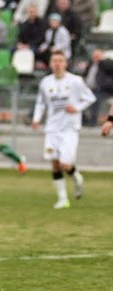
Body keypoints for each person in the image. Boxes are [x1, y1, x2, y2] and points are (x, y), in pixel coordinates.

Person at [32, 50, 95, 209]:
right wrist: (36, 119)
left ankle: (75, 175)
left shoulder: (76, 81)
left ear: (66, 63)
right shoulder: (46, 82)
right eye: (54, 61)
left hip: (70, 128)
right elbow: (41, 103)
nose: (57, 64)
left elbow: (90, 98)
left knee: (65, 164)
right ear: (51, 63)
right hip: (52, 128)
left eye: (60, 60)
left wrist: (77, 107)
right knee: (54, 164)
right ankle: (62, 199)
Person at [83, 48, 113, 126]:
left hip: (104, 90)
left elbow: (110, 68)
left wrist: (101, 61)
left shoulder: (106, 63)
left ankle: (93, 121)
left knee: (95, 99)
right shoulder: (91, 64)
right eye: (94, 55)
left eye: (98, 55)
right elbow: (85, 74)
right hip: (89, 89)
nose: (95, 57)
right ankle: (84, 120)